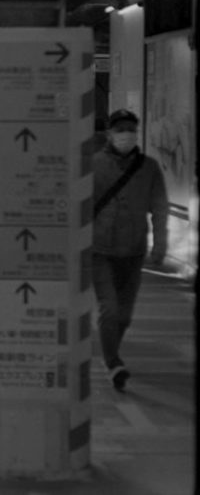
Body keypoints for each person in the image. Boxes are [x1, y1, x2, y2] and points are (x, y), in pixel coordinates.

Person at [92, 109, 168, 392]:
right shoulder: (94, 165)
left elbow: (159, 208)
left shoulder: (149, 168)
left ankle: (112, 352)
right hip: (99, 250)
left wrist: (160, 244)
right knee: (109, 309)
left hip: (133, 251)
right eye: (120, 129)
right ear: (110, 134)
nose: (126, 134)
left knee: (124, 315)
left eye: (130, 128)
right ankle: (113, 363)